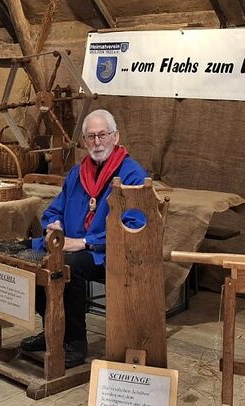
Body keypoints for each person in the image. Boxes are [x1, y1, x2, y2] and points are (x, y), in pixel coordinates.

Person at [21, 109, 147, 368]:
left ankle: (75, 343)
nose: (97, 142)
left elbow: (134, 226)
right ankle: (52, 331)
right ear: (84, 141)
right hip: (69, 245)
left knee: (68, 266)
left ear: (116, 137)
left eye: (103, 135)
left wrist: (86, 242)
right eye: (91, 137)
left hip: (109, 252)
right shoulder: (78, 173)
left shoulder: (132, 175)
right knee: (28, 257)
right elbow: (55, 209)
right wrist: (52, 225)